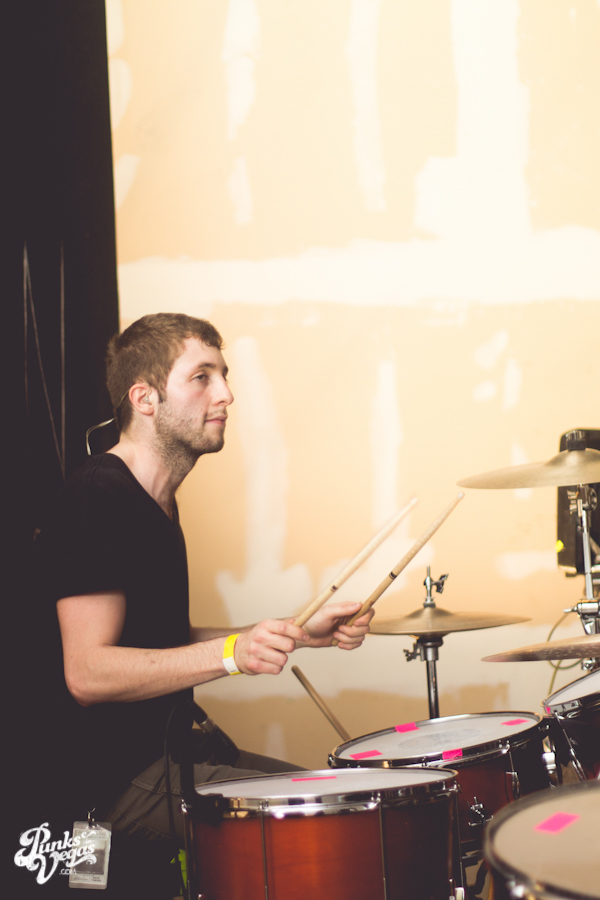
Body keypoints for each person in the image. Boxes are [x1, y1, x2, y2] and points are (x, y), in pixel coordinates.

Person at [32, 312, 373, 851]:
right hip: (112, 783)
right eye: (202, 377)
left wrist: (299, 632)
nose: (226, 395)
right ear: (145, 398)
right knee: (333, 826)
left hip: (168, 756)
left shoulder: (157, 501)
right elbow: (87, 673)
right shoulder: (98, 497)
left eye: (224, 375)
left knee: (346, 798)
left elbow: (160, 642)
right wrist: (235, 654)